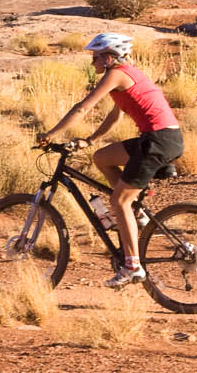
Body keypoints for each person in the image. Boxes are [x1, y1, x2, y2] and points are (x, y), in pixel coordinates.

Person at [37, 32, 183, 287]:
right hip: (161, 138)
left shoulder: (116, 74)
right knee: (102, 157)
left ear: (109, 57)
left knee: (119, 200)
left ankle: (133, 266)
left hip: (157, 141)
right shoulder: (125, 76)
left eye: (96, 57)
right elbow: (115, 118)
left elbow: (83, 108)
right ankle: (135, 212)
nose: (92, 62)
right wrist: (90, 140)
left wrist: (50, 134)